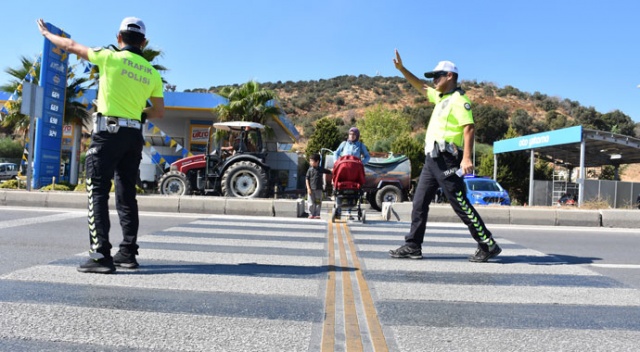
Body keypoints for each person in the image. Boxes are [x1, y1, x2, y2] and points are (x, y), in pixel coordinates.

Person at [37, 17, 164, 273]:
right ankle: (127, 253)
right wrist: (137, 116)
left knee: (97, 191)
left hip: (108, 135)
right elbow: (159, 111)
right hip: (133, 137)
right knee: (127, 194)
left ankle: (100, 256)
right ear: (144, 42)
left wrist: (48, 35)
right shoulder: (151, 72)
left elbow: (72, 45)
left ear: (119, 38)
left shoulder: (109, 57)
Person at [389, 49, 501, 262]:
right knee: (419, 201)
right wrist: (402, 69)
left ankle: (487, 243)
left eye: (437, 76)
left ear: (450, 76)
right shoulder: (441, 97)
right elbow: (420, 86)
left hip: (447, 159)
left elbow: (469, 128)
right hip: (432, 160)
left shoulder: (459, 100)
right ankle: (413, 245)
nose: (434, 80)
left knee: (459, 202)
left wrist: (467, 158)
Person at [306, 153, 331, 219]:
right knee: (311, 202)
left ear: (317, 162)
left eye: (312, 161)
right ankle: (311, 214)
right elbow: (307, 179)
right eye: (310, 161)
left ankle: (317, 214)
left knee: (318, 202)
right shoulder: (310, 170)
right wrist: (308, 188)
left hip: (319, 189)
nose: (310, 162)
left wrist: (332, 171)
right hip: (311, 189)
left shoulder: (320, 169)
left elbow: (328, 171)